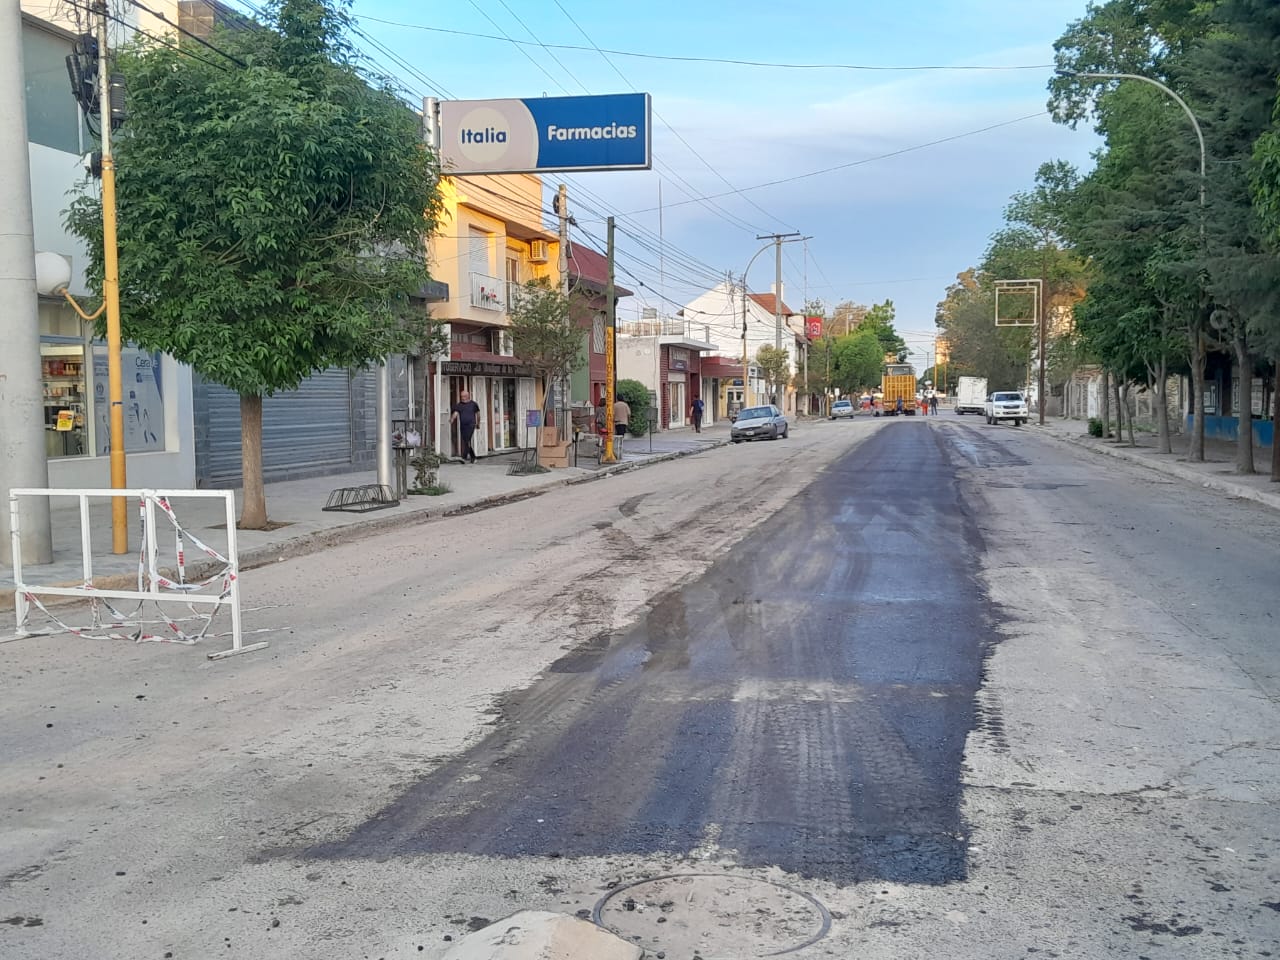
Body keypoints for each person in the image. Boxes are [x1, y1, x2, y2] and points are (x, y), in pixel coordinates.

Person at [450, 389, 481, 464]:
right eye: (461, 396)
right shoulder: (459, 405)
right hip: (463, 426)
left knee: (467, 440)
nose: (462, 398)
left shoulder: (473, 404)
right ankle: (473, 457)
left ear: (468, 396)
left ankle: (463, 457)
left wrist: (478, 423)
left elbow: (478, 414)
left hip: (471, 425)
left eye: (464, 396)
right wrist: (452, 419)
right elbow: (456, 413)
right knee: (466, 442)